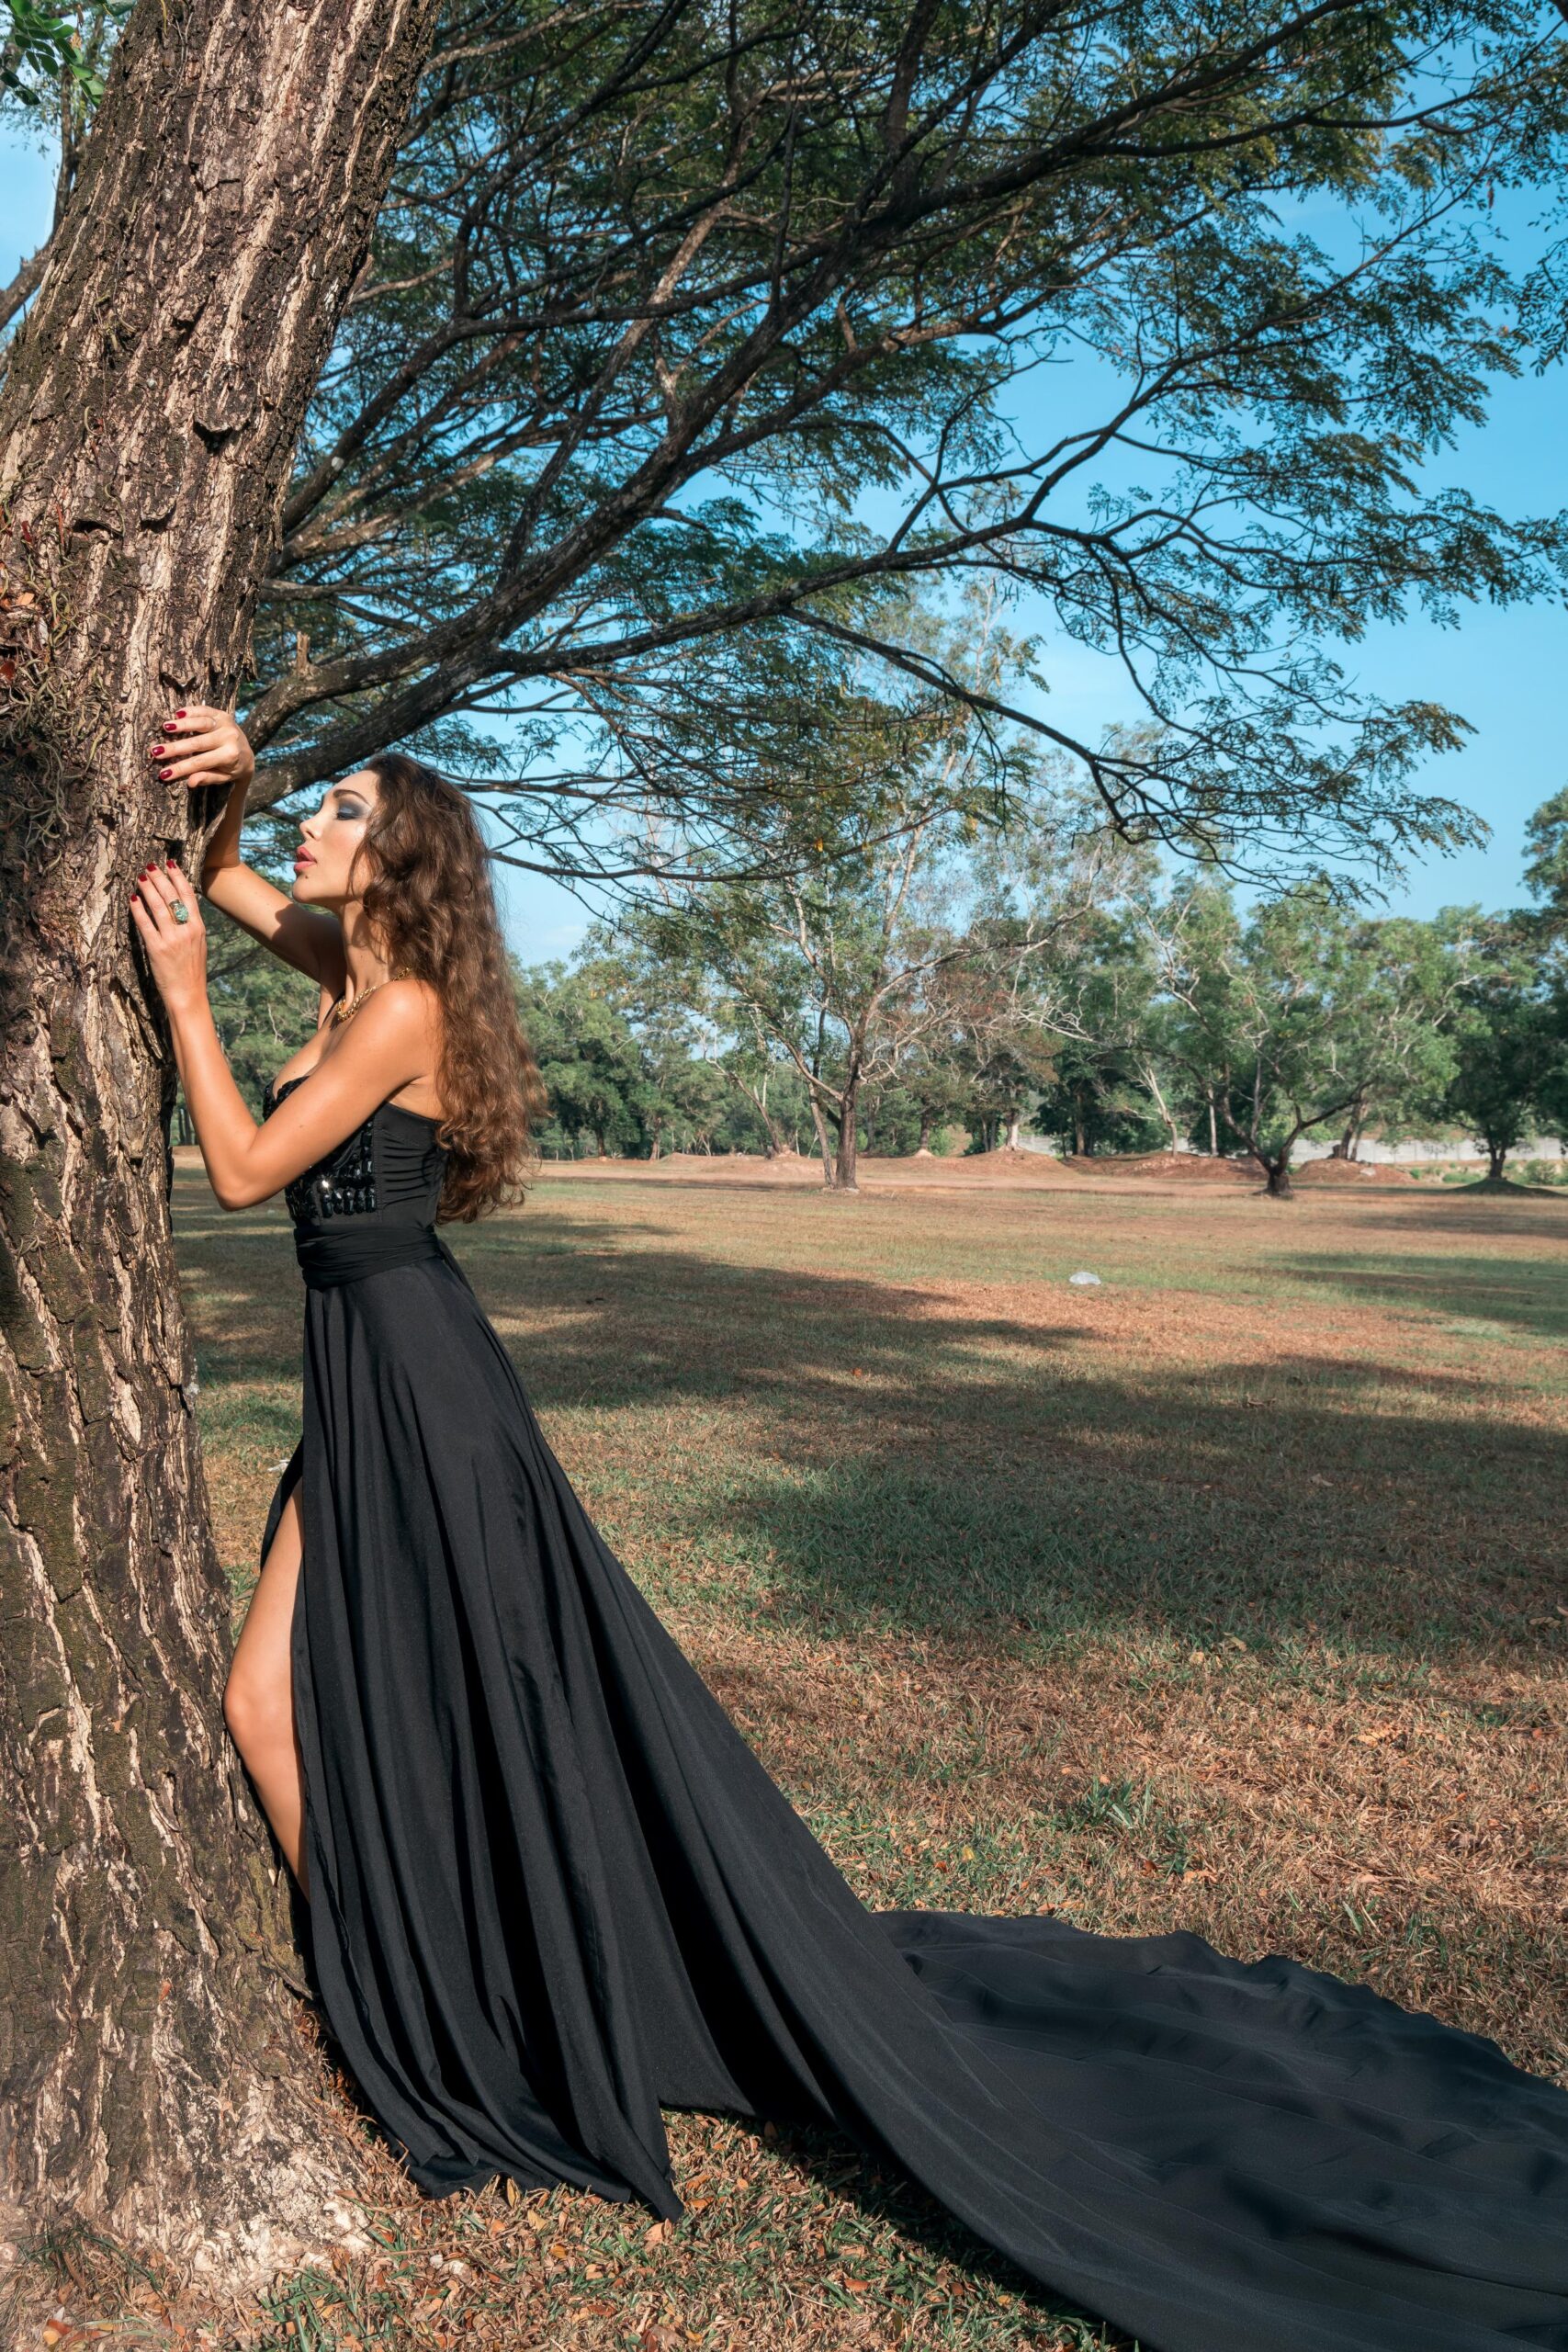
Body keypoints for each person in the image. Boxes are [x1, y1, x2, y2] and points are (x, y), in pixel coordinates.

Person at [131, 706, 1568, 2352]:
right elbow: (226, 872)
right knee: (265, 1706)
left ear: (399, 855)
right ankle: (401, 1977)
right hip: (368, 1387)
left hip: (424, 1399)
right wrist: (227, 783)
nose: (318, 816)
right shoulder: (340, 967)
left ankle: (423, 2002)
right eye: (321, 795)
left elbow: (240, 1170)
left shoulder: (393, 1008)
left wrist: (178, 995)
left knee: (464, 1708)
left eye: (342, 803)